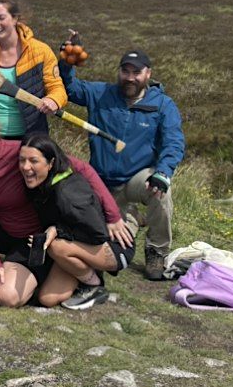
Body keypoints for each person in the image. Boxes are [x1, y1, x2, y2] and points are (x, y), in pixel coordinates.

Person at [0, 97, 130, 306]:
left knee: (34, 298)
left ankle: (79, 270)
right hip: (5, 233)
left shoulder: (22, 153)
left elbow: (83, 168)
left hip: (42, 238)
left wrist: (113, 215)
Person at [58, 35, 185, 279]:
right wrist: (66, 64)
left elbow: (174, 142)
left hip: (138, 180)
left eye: (136, 72)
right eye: (125, 71)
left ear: (148, 74)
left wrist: (163, 172)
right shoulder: (101, 93)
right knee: (102, 241)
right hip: (101, 183)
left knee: (161, 191)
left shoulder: (162, 105)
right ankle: (131, 218)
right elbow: (68, 89)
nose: (130, 77)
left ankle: (157, 251)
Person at [18, 138, 132, 309]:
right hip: (79, 242)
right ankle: (84, 271)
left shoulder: (68, 194)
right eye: (22, 160)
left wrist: (57, 230)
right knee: (47, 299)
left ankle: (94, 285)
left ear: (51, 163)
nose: (26, 167)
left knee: (55, 247)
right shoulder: (43, 184)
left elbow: (97, 233)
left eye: (34, 161)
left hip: (113, 245)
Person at [0, 0, 67, 138]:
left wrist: (54, 100)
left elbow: (56, 87)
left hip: (29, 136)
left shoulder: (40, 51)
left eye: (1, 18)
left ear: (15, 18)